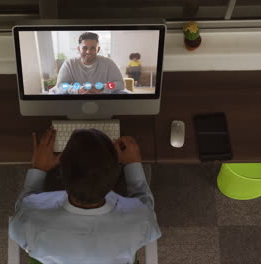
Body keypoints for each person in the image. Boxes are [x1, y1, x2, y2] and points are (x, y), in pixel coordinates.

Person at [9, 126, 161, 264]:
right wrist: (133, 164)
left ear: (60, 172)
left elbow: (23, 208)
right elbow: (146, 206)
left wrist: (39, 168)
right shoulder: (140, 222)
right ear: (116, 174)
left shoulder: (28, 221)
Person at [49, 32, 126, 95]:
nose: (88, 52)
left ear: (98, 49)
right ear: (79, 49)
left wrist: (102, 87)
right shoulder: (69, 63)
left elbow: (120, 84)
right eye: (85, 48)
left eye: (92, 48)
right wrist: (78, 90)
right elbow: (60, 85)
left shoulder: (108, 63)